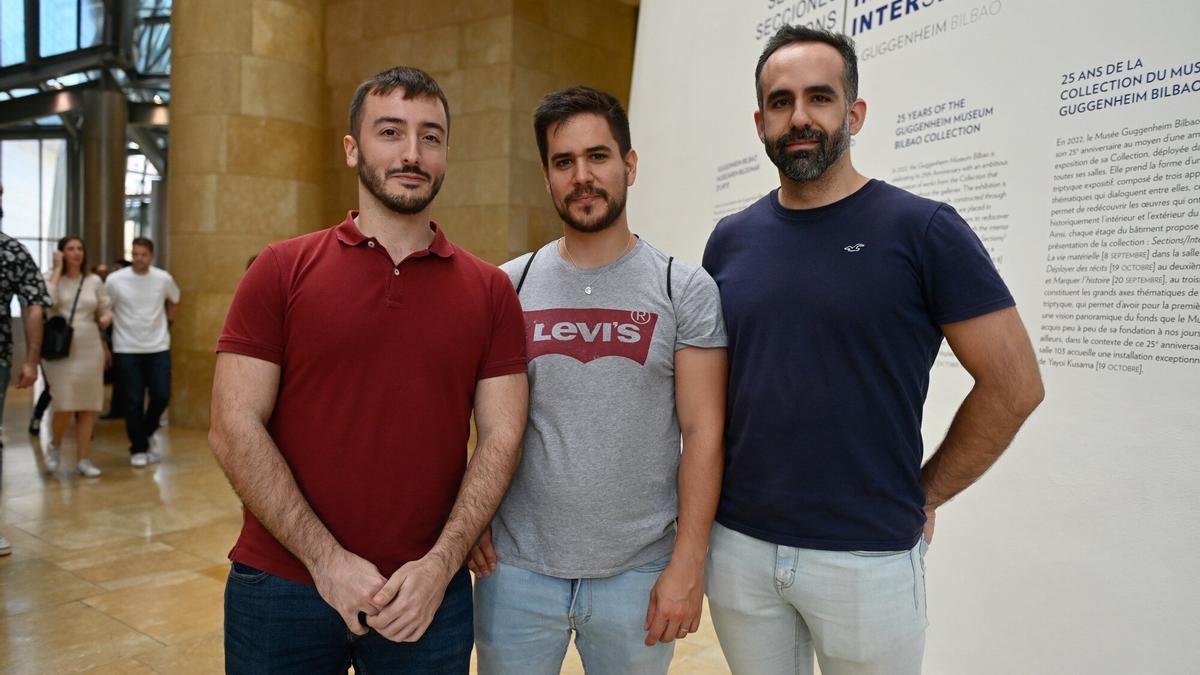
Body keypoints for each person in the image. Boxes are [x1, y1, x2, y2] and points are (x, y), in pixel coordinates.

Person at [701, 26, 1044, 675]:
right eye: (780, 102)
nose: (799, 117)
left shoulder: (923, 230)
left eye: (819, 97)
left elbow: (1015, 382)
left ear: (854, 112)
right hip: (740, 549)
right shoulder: (729, 240)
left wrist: (926, 493)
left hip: (866, 559)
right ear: (759, 121)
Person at [209, 66, 528, 674]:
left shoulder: (490, 291)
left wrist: (441, 564)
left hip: (425, 596)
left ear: (446, 154)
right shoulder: (280, 269)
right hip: (282, 586)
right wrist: (327, 561)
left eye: (431, 136)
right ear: (353, 149)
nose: (412, 153)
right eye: (391, 132)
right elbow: (232, 424)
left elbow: (503, 435)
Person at [470, 86, 728, 675]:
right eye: (564, 162)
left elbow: (704, 430)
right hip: (516, 570)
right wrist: (474, 514)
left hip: (637, 573)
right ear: (547, 176)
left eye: (598, 157)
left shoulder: (682, 289)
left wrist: (688, 562)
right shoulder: (509, 286)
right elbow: (484, 421)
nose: (582, 176)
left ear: (629, 165)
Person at [0, 182, 51, 554]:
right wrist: (30, 360)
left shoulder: (11, 250)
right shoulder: (12, 249)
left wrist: (32, 360)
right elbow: (34, 305)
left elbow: (34, 306)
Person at [104, 237, 180, 466]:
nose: (138, 258)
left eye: (143, 254)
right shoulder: (116, 280)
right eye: (135, 254)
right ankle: (138, 448)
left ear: (152, 255)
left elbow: (175, 299)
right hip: (126, 347)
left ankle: (146, 433)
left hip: (157, 346)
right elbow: (106, 307)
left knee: (161, 395)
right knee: (133, 400)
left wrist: (169, 322)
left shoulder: (162, 278)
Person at [41, 236, 112, 477]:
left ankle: (84, 458)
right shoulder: (51, 278)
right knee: (64, 402)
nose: (76, 253)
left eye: (80, 248)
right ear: (61, 253)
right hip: (61, 349)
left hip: (89, 346)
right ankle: (54, 445)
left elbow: (105, 306)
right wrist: (58, 269)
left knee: (89, 405)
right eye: (70, 249)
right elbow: (47, 301)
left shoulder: (93, 280)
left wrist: (106, 317)